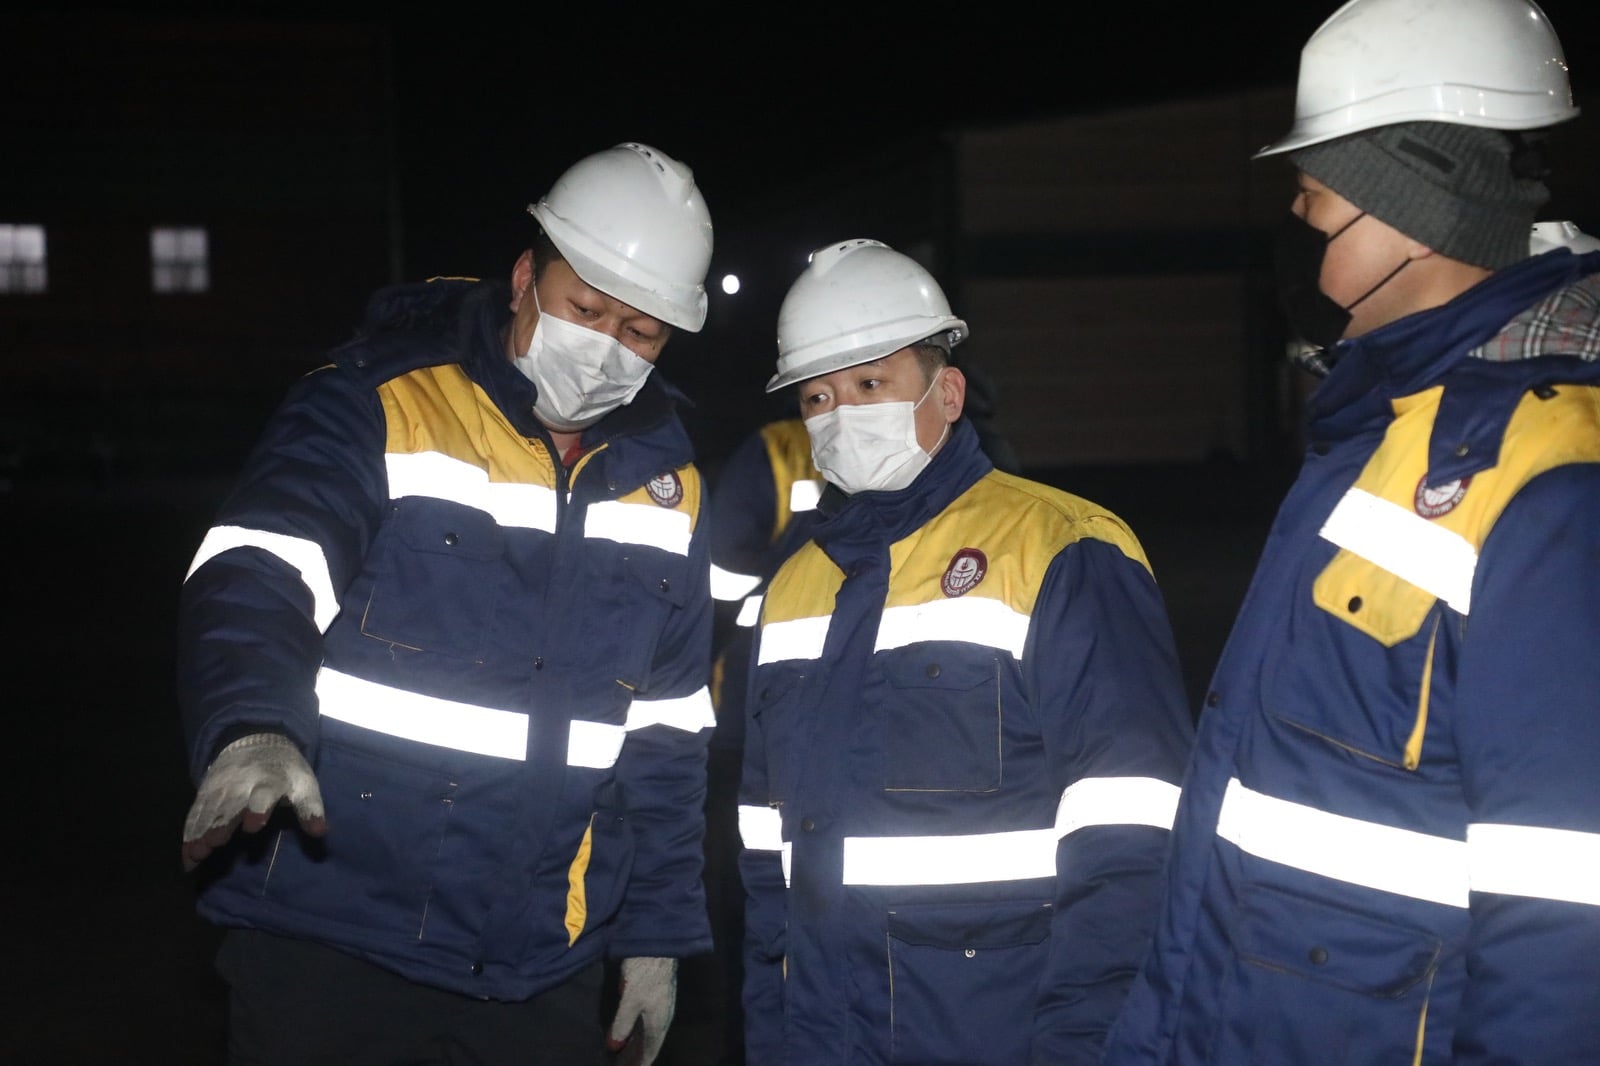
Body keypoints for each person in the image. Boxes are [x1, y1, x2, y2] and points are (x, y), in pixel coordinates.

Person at [1100, 1, 1600, 1063]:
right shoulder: (1387, 427)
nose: (1294, 228)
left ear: (1411, 215)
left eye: (1313, 202)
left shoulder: (1549, 481)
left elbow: (1565, 921)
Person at [176, 142, 719, 1066]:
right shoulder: (378, 403)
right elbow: (261, 568)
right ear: (525, 278)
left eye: (641, 331)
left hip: (537, 969)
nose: (605, 348)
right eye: (586, 309)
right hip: (332, 942)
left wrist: (655, 931)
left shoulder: (671, 488)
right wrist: (251, 726)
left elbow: (665, 737)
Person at [735, 238, 1195, 1065]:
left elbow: (1132, 842)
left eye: (871, 384)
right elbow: (767, 864)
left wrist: (1089, 1046)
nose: (842, 414)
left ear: (947, 393)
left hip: (1001, 1036)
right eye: (818, 396)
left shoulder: (1063, 548)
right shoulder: (795, 586)